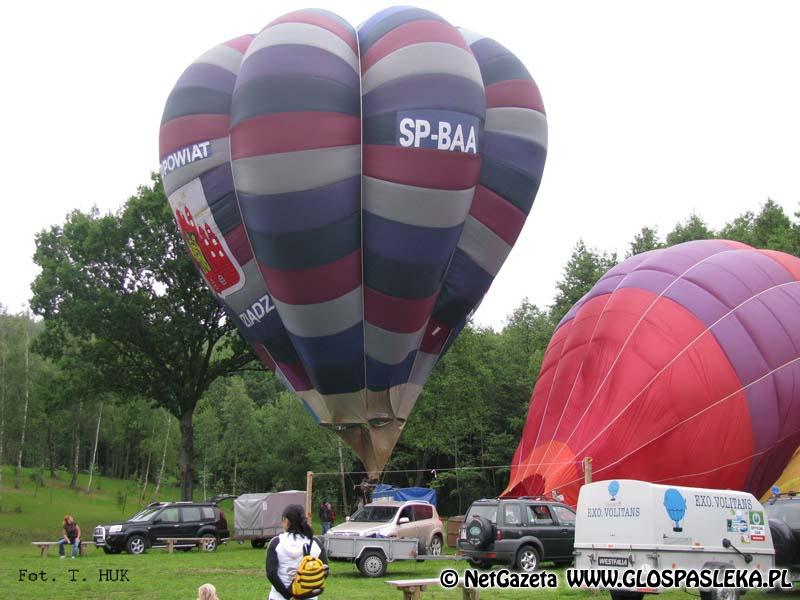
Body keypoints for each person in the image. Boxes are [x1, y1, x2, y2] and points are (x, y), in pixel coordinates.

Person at [266, 504, 328, 600]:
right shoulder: (315, 543)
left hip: (278, 597)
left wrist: (289, 596)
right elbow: (324, 571)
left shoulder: (276, 543)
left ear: (286, 521)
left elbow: (271, 574)